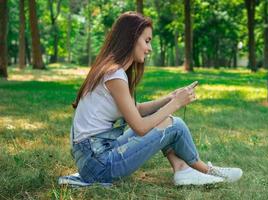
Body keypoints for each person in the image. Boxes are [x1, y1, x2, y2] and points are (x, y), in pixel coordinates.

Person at [70, 11, 242, 186]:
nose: (149, 49)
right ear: (131, 38)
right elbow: (141, 127)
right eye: (147, 41)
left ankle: (182, 168)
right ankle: (205, 170)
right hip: (99, 165)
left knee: (169, 123)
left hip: (93, 158)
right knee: (173, 125)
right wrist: (176, 103)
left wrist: (169, 98)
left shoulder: (112, 70)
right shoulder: (114, 74)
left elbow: (135, 110)